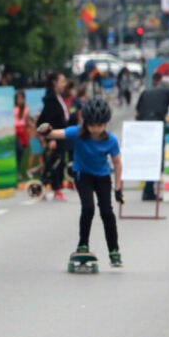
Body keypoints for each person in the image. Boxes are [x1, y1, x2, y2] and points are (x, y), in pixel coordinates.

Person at [37, 96, 123, 267]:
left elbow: (117, 162)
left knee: (107, 212)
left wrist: (118, 188)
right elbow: (57, 133)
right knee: (88, 207)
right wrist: (45, 130)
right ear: (85, 122)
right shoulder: (78, 133)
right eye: (92, 125)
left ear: (106, 123)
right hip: (83, 175)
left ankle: (114, 250)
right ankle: (83, 244)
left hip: (103, 176)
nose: (96, 129)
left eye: (100, 125)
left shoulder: (111, 140)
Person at [135, 72, 169, 200]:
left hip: (144, 125)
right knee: (157, 157)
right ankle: (148, 190)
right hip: (157, 125)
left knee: (147, 155)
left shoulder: (146, 92)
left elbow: (138, 108)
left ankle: (147, 188)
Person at [37, 72, 70, 200]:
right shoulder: (51, 99)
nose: (64, 84)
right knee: (54, 163)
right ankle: (47, 187)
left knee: (58, 162)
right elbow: (50, 120)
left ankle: (54, 188)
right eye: (62, 81)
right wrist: (51, 138)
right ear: (54, 83)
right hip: (55, 136)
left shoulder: (58, 97)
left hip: (61, 134)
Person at [13, 90, 33, 181]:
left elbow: (27, 120)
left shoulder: (26, 109)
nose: (20, 100)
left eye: (21, 98)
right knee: (18, 149)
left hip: (23, 131)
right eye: (18, 98)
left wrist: (33, 126)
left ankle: (18, 169)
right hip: (15, 131)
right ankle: (16, 171)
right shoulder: (14, 108)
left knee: (21, 151)